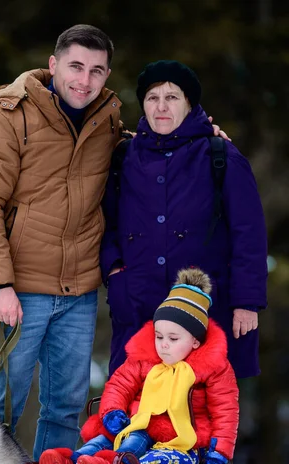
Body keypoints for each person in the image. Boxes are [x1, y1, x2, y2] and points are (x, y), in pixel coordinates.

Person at [0, 30, 227, 462]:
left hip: (78, 293)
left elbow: (140, 148)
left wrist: (200, 132)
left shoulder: (105, 117)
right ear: (53, 65)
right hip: (18, 290)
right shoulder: (6, 117)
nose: (84, 81)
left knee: (65, 409)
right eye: (76, 67)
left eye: (97, 71)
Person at [100, 60, 268, 380]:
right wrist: (114, 272)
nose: (161, 106)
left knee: (204, 412)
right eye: (152, 98)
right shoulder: (124, 157)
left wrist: (247, 302)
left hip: (205, 311)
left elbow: (250, 234)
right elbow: (106, 224)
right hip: (138, 310)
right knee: (133, 412)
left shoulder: (222, 156)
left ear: (189, 104)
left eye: (172, 97)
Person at [39, 268, 239, 464]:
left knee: (136, 443)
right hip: (135, 423)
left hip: (180, 438)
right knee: (104, 439)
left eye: (173, 339)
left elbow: (226, 411)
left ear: (195, 341)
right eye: (159, 336)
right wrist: (112, 412)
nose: (163, 344)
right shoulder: (144, 359)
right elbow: (119, 385)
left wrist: (219, 452)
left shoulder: (214, 369)